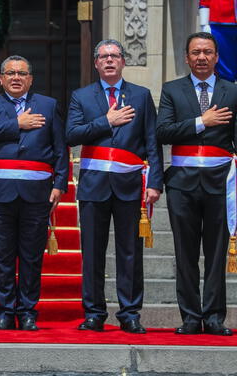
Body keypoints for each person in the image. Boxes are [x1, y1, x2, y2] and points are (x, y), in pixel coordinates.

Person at [66, 39, 163, 334]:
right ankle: (94, 313)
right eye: (103, 56)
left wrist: (156, 182)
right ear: (96, 63)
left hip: (130, 184)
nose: (109, 60)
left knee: (130, 252)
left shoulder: (142, 95)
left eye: (115, 56)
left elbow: (152, 142)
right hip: (94, 185)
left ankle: (130, 312)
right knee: (93, 252)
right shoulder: (81, 96)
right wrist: (106, 121)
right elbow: (71, 135)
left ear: (123, 62)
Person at [0, 55, 68, 331]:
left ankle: (27, 311)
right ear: (1, 78)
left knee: (31, 256)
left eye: (22, 73)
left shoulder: (48, 106)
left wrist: (60, 184)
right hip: (0, 194)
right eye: (10, 73)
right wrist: (18, 123)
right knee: (2, 255)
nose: (16, 77)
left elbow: (60, 148)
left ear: (30, 79)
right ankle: (4, 311)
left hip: (37, 193)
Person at [156, 32, 237, 336]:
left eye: (207, 52)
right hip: (183, 184)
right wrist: (202, 121)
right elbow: (162, 131)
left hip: (220, 182)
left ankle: (214, 317)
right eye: (195, 52)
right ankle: (191, 316)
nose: (201, 57)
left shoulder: (232, 91)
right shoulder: (172, 90)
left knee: (216, 252)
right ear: (186, 57)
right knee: (185, 253)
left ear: (217, 57)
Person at [199, 0, 237, 82]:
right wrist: (204, 24)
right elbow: (205, 2)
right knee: (224, 69)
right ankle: (227, 92)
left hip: (221, 25)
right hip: (219, 24)